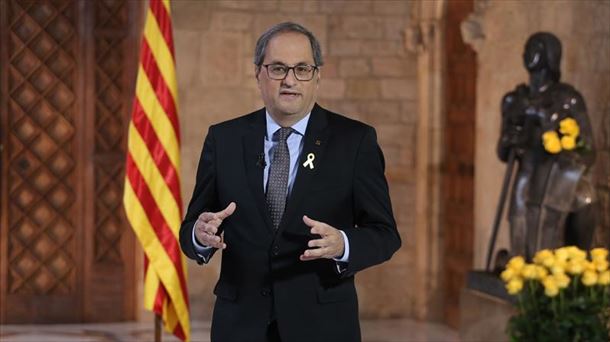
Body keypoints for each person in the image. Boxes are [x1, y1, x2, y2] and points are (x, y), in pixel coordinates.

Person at [179, 22, 401, 342]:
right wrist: (200, 234)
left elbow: (385, 234)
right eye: (278, 68)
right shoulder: (224, 139)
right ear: (259, 74)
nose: (290, 80)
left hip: (322, 325)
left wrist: (343, 244)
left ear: (318, 76)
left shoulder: (354, 142)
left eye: (302, 69)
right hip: (240, 324)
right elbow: (191, 230)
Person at [497, 32, 596, 261]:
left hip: (557, 178)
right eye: (527, 48)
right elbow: (503, 152)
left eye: (535, 48)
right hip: (526, 177)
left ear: (550, 55)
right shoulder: (514, 100)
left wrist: (558, 140)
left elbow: (588, 150)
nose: (527, 53)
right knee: (523, 250)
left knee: (581, 202)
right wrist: (509, 139)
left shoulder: (567, 99)